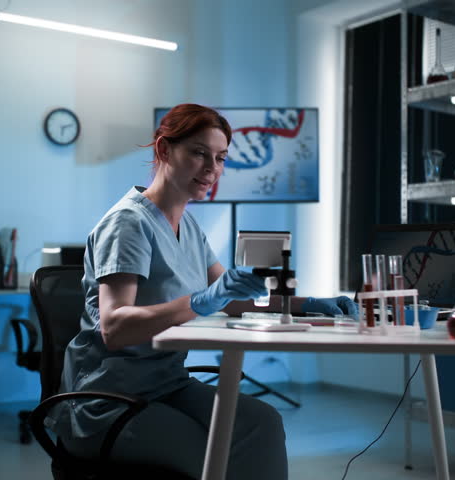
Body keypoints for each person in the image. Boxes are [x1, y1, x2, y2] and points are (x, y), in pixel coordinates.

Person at [50, 103, 357, 479]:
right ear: (164, 150)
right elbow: (115, 329)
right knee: (210, 454)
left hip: (166, 384)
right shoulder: (128, 223)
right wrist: (200, 301)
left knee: (262, 423)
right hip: (106, 400)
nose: (213, 168)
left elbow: (234, 299)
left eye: (221, 158)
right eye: (199, 153)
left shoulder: (189, 227)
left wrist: (310, 303)